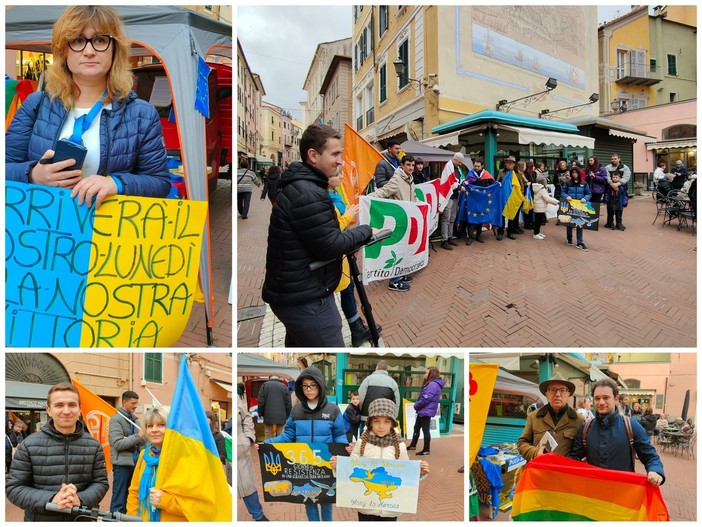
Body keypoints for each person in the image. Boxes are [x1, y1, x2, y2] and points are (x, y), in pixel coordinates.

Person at [6, 6, 171, 208]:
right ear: (63, 50)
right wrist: (33, 174)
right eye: (77, 40)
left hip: (105, 233)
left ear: (115, 49)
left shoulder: (141, 114)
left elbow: (160, 183)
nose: (89, 51)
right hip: (44, 232)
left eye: (100, 40)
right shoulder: (36, 104)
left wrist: (116, 183)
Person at [261, 124, 374, 347]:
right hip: (305, 298)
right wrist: (367, 231)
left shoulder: (306, 188)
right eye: (334, 154)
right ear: (313, 155)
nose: (340, 160)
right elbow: (331, 244)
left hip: (296, 292)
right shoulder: (309, 193)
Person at [6, 382, 108, 521]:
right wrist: (51, 499)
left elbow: (101, 483)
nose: (66, 411)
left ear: (79, 409)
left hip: (81, 519)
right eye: (59, 405)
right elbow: (14, 489)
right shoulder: (28, 445)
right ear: (49, 409)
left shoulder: (94, 446)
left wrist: (80, 499)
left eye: (72, 405)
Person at [259, 366, 347, 522]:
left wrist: (341, 453)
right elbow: (287, 436)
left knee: (326, 501)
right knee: (308, 500)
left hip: (326, 464)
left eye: (313, 385)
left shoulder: (333, 410)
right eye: (305, 385)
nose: (309, 389)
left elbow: (340, 435)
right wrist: (266, 443)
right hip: (303, 464)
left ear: (320, 386)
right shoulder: (296, 411)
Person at [330, 399, 429, 521]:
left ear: (392, 423)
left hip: (390, 507)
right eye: (377, 421)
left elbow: (406, 473)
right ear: (370, 422)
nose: (381, 426)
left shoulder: (400, 445)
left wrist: (419, 472)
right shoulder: (362, 443)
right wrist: (339, 466)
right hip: (366, 505)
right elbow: (352, 467)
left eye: (386, 422)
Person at [568, 378, 665, 487]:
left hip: (623, 494)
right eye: (597, 398)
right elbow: (574, 458)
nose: (601, 402)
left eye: (606, 397)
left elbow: (650, 456)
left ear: (616, 398)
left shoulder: (631, 426)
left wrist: (655, 470)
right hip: (593, 493)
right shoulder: (585, 428)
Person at [327, 167, 380, 344]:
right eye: (336, 174)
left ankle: (356, 327)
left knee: (349, 288)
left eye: (341, 173)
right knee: (341, 290)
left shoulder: (336, 192)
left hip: (344, 247)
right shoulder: (324, 199)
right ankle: (353, 329)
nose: (341, 176)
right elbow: (331, 229)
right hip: (335, 253)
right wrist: (347, 216)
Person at [126, 407, 186, 521]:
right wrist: (132, 519)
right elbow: (134, 492)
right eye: (149, 426)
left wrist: (165, 501)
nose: (154, 430)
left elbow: (195, 504)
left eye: (161, 425)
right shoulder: (144, 455)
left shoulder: (182, 457)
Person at [369, 155, 418, 291]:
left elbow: (413, 197)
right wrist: (366, 198)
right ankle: (394, 281)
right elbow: (383, 192)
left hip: (407, 219)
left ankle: (400, 274)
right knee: (398, 249)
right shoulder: (397, 179)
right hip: (399, 221)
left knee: (404, 249)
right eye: (408, 165)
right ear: (402, 165)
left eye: (412, 165)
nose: (411, 168)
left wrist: (421, 205)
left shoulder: (410, 179)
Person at [517, 373, 584, 461]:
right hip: (539, 471)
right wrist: (536, 452)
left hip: (563, 473)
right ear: (546, 394)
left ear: (568, 394)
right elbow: (522, 443)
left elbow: (582, 449)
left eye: (562, 390)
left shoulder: (579, 420)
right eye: (552, 390)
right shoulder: (533, 417)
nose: (557, 394)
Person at [108, 390, 146, 514]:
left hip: (136, 463)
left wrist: (131, 439)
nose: (136, 406)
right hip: (122, 464)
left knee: (132, 496)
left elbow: (144, 441)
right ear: (124, 402)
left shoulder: (135, 420)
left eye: (137, 403)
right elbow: (118, 444)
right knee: (119, 498)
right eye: (133, 403)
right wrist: (136, 437)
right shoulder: (116, 420)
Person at [237, 399, 268, 521]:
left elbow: (247, 417)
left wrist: (248, 438)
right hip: (223, 450)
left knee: (247, 484)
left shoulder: (237, 399)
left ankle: (258, 516)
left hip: (240, 450)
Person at [407, 367, 444, 456]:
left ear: (431, 374)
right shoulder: (433, 384)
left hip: (425, 411)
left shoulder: (432, 384)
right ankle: (413, 445)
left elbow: (426, 398)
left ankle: (426, 449)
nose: (425, 374)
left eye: (426, 373)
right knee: (416, 428)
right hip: (424, 410)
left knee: (425, 430)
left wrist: (416, 405)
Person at [462, 157, 494, 245]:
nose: (476, 168)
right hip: (472, 200)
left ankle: (479, 235)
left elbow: (492, 183)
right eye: (475, 166)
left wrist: (497, 184)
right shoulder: (471, 174)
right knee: (471, 218)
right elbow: (464, 182)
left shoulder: (486, 174)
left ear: (482, 166)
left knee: (480, 216)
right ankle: (470, 236)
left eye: (478, 166)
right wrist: (465, 183)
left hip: (482, 200)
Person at [359, 360, 400, 426]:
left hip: (367, 416)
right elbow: (396, 403)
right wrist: (394, 416)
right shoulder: (392, 382)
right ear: (386, 369)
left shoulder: (368, 380)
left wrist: (361, 410)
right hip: (385, 418)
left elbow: (360, 397)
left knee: (365, 435)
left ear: (377, 367)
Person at [496, 156, 528, 240]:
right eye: (507, 162)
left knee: (512, 215)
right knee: (502, 215)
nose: (508, 164)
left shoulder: (518, 173)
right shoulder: (501, 172)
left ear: (514, 164)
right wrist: (497, 184)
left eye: (510, 163)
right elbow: (497, 182)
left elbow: (522, 184)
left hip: (514, 197)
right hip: (503, 196)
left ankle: (510, 232)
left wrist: (522, 195)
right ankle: (500, 231)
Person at [440, 152, 467, 249]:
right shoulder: (448, 167)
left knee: (452, 218)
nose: (460, 164)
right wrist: (460, 187)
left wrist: (464, 182)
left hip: (455, 196)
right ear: (455, 159)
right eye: (459, 162)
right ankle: (444, 240)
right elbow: (450, 182)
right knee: (446, 219)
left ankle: (450, 237)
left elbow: (459, 180)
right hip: (448, 197)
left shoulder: (457, 168)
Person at [561, 167, 592, 251]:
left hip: (580, 206)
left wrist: (585, 198)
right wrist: (566, 196)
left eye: (576, 172)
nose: (574, 174)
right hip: (570, 205)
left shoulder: (584, 183)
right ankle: (569, 239)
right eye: (573, 172)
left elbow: (589, 193)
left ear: (579, 173)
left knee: (580, 223)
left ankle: (580, 242)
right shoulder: (567, 183)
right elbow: (563, 192)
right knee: (569, 222)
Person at [257, 375, 292, 440]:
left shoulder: (264, 385)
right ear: (279, 378)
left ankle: (268, 448)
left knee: (268, 434)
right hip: (281, 414)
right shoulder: (284, 386)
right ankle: (280, 448)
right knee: (281, 434)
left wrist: (260, 413)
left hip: (268, 414)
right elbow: (288, 403)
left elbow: (261, 401)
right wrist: (287, 415)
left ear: (270, 378)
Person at [604, 154, 631, 228]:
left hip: (621, 189)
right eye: (612, 159)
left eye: (615, 159)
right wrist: (611, 184)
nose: (613, 160)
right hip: (610, 189)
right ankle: (609, 222)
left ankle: (619, 223)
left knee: (620, 206)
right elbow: (607, 176)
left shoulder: (625, 168)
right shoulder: (607, 167)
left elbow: (626, 177)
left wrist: (618, 184)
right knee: (609, 206)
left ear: (619, 159)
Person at [531, 174, 559, 240]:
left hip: (537, 206)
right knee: (538, 221)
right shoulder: (542, 189)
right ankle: (536, 233)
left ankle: (538, 232)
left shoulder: (535, 187)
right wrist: (557, 202)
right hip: (540, 207)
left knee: (538, 220)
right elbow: (547, 198)